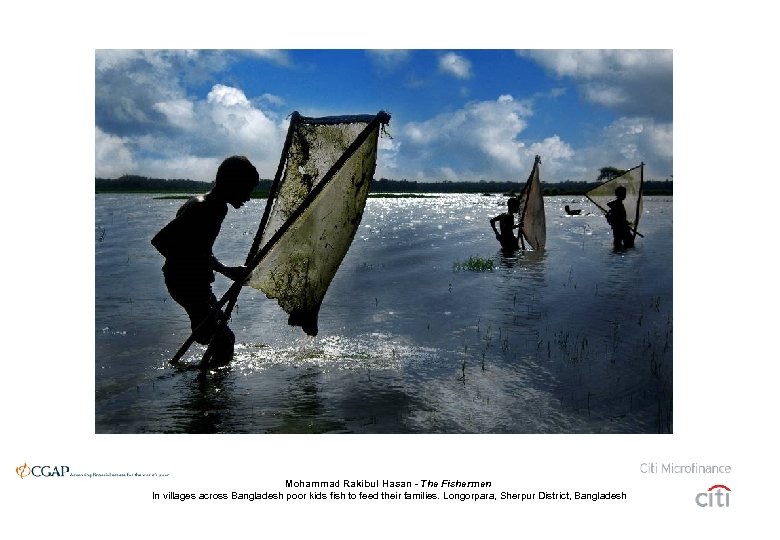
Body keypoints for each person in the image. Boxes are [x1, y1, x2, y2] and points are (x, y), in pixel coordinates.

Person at [151, 155, 260, 368]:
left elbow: (200, 249)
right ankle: (208, 395)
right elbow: (161, 241)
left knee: (222, 339)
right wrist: (191, 266)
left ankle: (202, 380)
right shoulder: (202, 207)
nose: (248, 197)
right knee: (223, 342)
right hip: (185, 283)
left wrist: (225, 270)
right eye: (247, 189)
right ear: (232, 184)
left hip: (197, 283)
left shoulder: (218, 207)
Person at [605, 186, 635, 250]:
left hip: (620, 229)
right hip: (620, 229)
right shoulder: (616, 205)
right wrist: (624, 224)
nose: (625, 195)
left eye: (625, 193)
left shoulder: (618, 204)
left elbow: (620, 217)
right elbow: (617, 218)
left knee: (621, 245)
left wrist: (626, 223)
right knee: (625, 244)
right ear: (618, 194)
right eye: (623, 193)